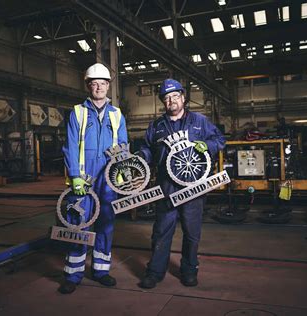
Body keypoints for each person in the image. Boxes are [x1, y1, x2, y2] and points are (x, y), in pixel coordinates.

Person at [137, 78, 225, 288]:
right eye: (166, 98)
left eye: (175, 96)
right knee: (161, 231)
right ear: (163, 102)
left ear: (183, 98)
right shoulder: (156, 126)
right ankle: (155, 272)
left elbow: (220, 140)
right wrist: (140, 157)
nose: (171, 101)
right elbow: (147, 148)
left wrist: (208, 145)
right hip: (166, 188)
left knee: (192, 233)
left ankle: (189, 270)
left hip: (194, 187)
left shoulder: (199, 121)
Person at [59, 63, 128, 294]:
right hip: (84, 178)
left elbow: (124, 147)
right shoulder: (77, 112)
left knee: (106, 224)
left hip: (108, 178)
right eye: (94, 83)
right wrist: (75, 176)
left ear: (108, 86)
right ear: (88, 86)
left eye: (103, 83)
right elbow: (69, 144)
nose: (99, 87)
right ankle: (73, 274)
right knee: (78, 224)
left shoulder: (117, 115)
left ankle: (101, 270)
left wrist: (124, 177)